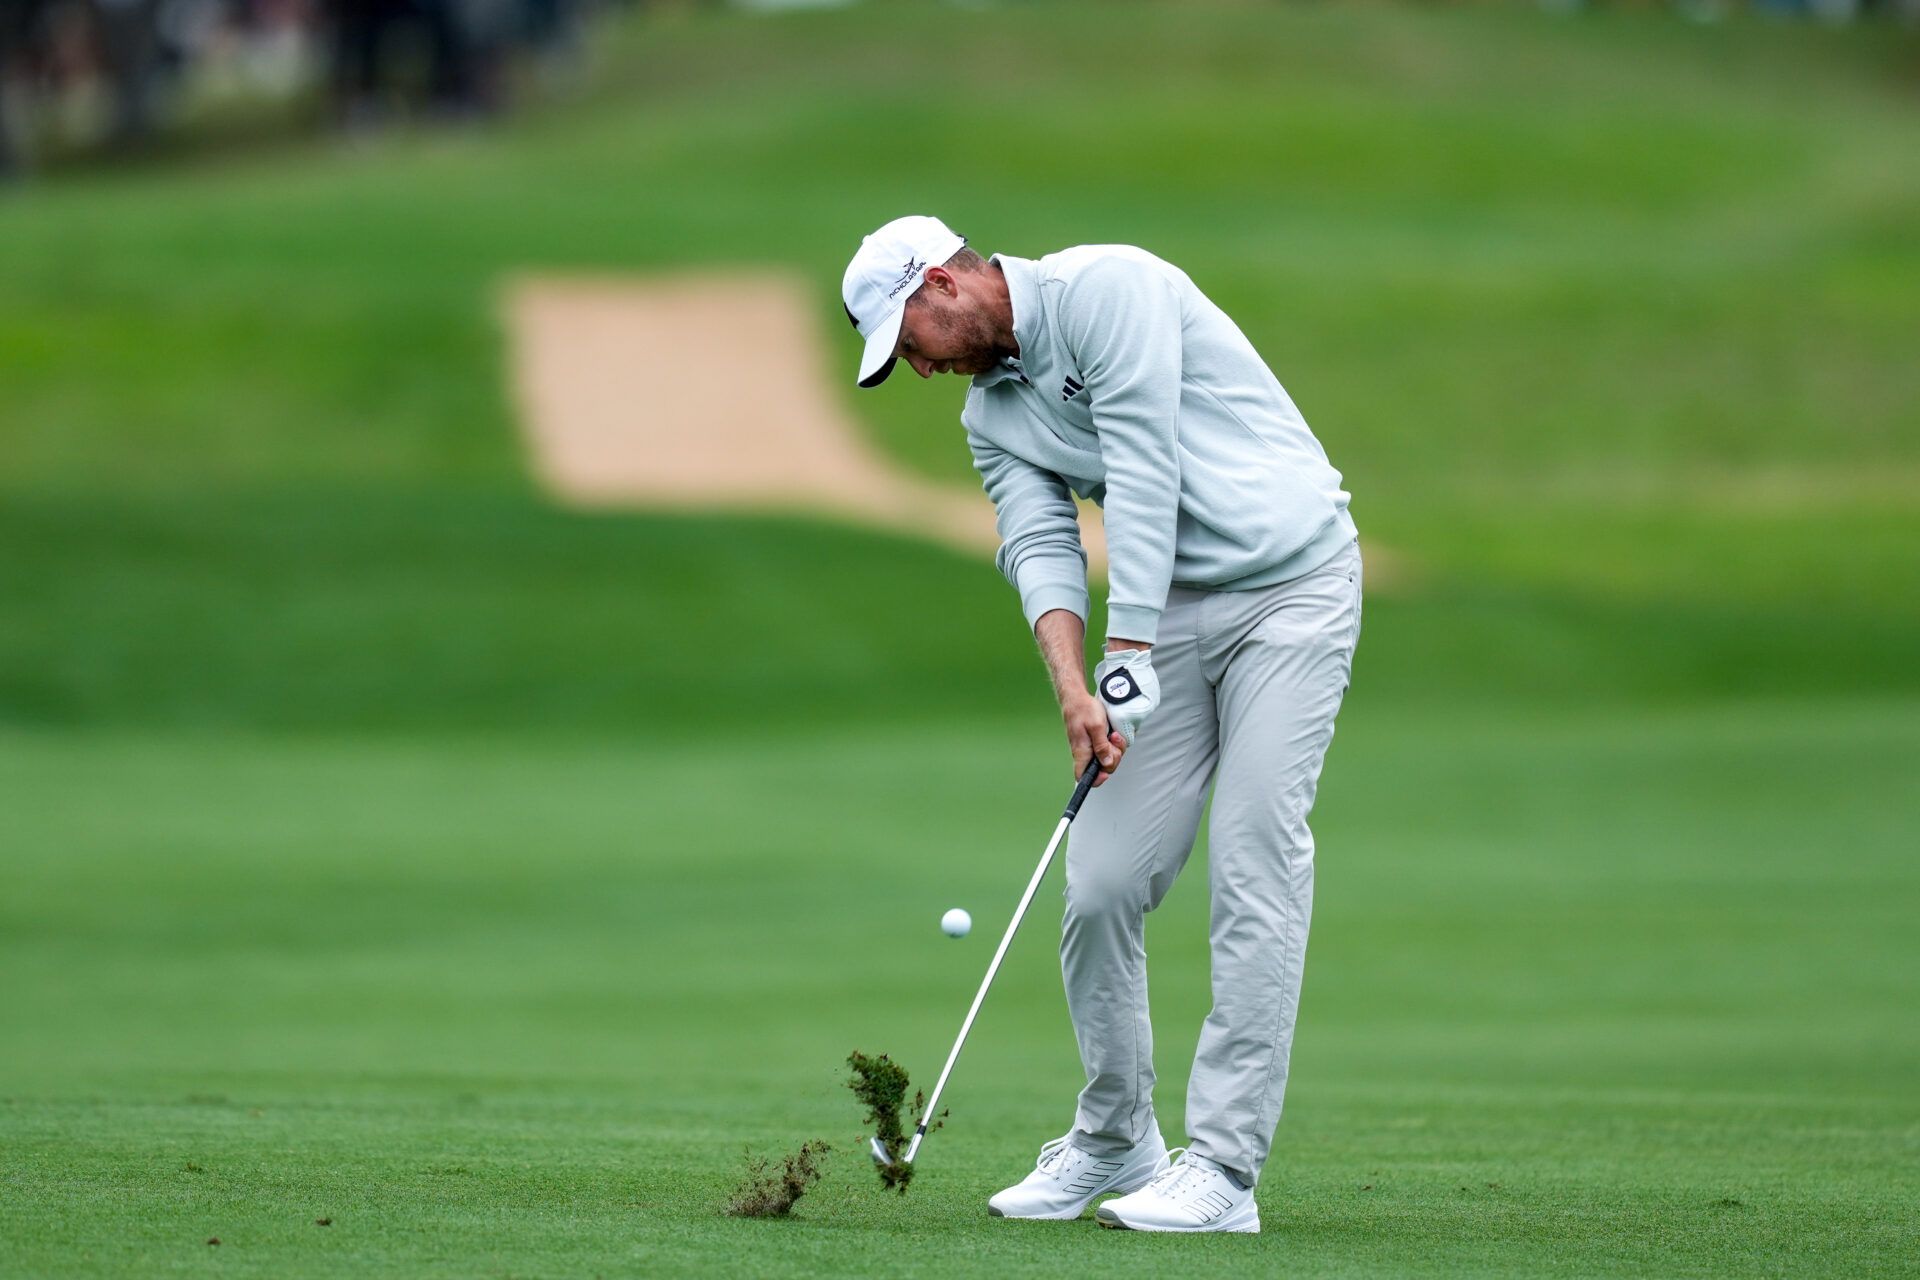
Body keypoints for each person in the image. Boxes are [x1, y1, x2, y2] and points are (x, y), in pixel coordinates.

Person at [841, 215, 1363, 1234]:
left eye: (908, 341)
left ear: (943, 283)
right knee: (1101, 881)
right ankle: (1118, 1132)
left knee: (1256, 860)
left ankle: (1222, 1167)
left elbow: (1145, 462)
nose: (914, 367)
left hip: (1288, 588)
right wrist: (1077, 687)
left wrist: (1126, 653)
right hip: (1164, 616)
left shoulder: (1108, 289)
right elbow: (1037, 545)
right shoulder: (990, 415)